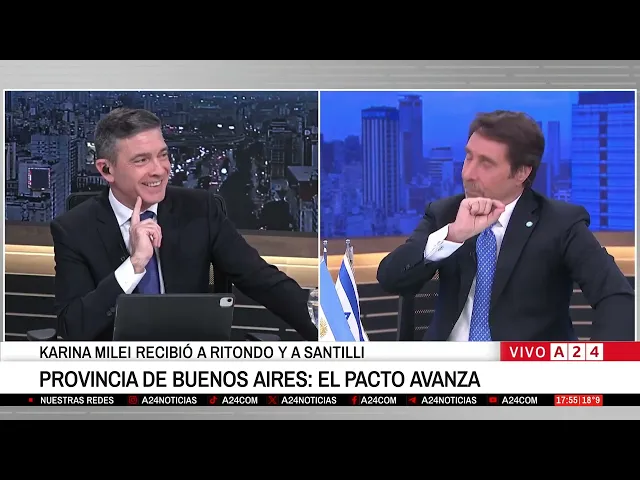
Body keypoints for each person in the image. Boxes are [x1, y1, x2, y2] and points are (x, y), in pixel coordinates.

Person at [50, 107, 317, 341]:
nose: (159, 169)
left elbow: (265, 281)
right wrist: (135, 265)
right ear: (106, 169)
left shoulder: (200, 210)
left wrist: (330, 331)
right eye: (141, 160)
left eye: (163, 155)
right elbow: (73, 327)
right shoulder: (73, 229)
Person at [377, 110, 634, 342]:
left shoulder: (561, 223)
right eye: (468, 158)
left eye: (485, 163)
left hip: (526, 369)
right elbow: (391, 278)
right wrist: (453, 235)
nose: (468, 173)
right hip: (451, 370)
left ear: (521, 173)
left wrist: (598, 369)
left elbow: (616, 296)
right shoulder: (445, 213)